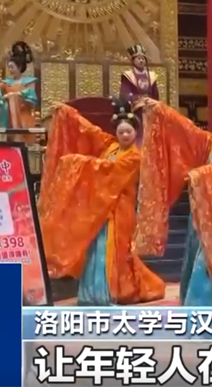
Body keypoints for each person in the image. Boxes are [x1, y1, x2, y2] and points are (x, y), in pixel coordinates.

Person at [137, 70, 212, 306]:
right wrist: (159, 109)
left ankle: (206, 308)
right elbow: (185, 129)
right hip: (207, 213)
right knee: (201, 260)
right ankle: (201, 308)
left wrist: (199, 174)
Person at [38, 98, 165, 305]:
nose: (125, 135)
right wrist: (68, 113)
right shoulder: (111, 146)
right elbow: (90, 131)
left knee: (116, 250)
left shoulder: (134, 157)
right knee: (97, 247)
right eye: (121, 132)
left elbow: (109, 170)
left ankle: (115, 292)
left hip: (120, 210)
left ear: (136, 132)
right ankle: (91, 292)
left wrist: (78, 162)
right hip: (102, 206)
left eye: (129, 131)